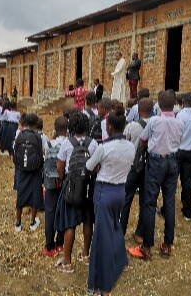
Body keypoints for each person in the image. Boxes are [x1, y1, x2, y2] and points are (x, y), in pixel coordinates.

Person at [86, 103, 135, 295]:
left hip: (104, 192)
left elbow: (89, 167)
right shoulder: (130, 146)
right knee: (114, 226)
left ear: (111, 128)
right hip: (120, 192)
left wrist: (100, 166)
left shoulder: (104, 147)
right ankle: (121, 258)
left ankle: (102, 284)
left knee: (101, 238)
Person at [129, 90, 184, 259]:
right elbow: (179, 140)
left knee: (150, 203)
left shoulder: (154, 121)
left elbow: (144, 140)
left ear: (158, 105)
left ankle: (147, 247)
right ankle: (167, 245)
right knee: (169, 202)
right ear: (174, 103)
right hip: (173, 162)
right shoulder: (180, 122)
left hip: (156, 162)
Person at [54, 112, 99, 273]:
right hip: (88, 187)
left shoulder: (67, 143)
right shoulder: (93, 143)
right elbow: (97, 166)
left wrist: (64, 179)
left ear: (70, 127)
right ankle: (86, 254)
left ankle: (67, 262)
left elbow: (60, 166)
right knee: (88, 221)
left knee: (70, 224)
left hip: (71, 187)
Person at [121, 98, 153, 242]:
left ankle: (120, 230)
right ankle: (140, 233)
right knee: (145, 200)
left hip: (133, 166)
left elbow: (125, 144)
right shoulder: (156, 124)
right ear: (152, 110)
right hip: (150, 166)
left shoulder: (132, 126)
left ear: (138, 111)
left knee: (126, 198)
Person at [13, 114, 44, 232]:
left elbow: (15, 152)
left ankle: (18, 223)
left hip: (21, 170)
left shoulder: (19, 135)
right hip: (35, 170)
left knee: (20, 195)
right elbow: (41, 154)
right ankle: (32, 222)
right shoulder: (38, 136)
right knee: (35, 195)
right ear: (36, 124)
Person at [42, 116, 67, 257]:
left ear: (55, 129)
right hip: (64, 182)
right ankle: (60, 244)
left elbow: (45, 158)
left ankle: (49, 246)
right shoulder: (69, 144)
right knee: (63, 211)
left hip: (51, 183)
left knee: (50, 213)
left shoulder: (49, 144)